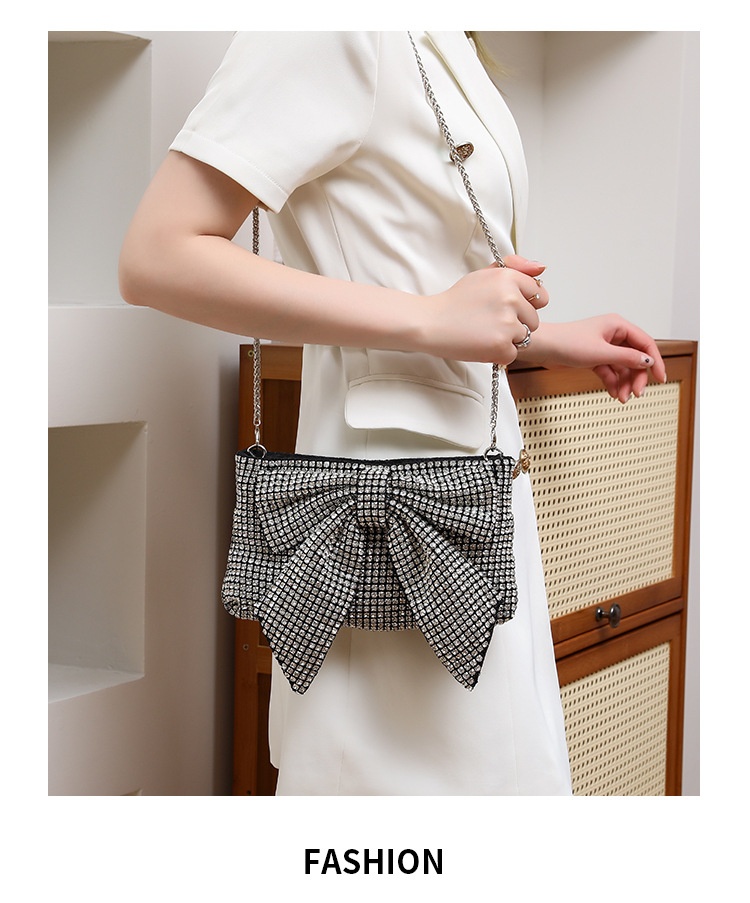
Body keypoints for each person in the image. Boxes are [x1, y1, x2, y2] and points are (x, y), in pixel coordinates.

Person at [119, 31, 666, 795]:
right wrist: (430, 318)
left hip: (475, 505)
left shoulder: (445, 37)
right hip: (384, 527)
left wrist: (542, 335)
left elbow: (419, 266)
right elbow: (156, 255)